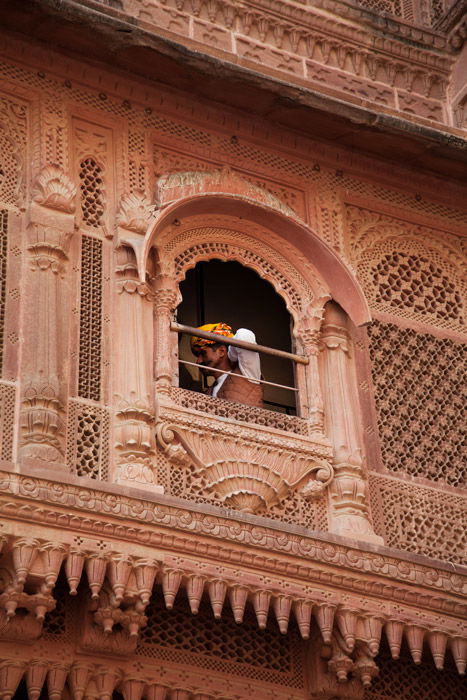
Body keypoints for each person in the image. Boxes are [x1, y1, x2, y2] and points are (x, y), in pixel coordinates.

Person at [190, 323, 263, 408]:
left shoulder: (247, 373)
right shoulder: (208, 393)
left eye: (203, 353)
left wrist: (231, 355)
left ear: (222, 351)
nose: (198, 361)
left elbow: (244, 335)